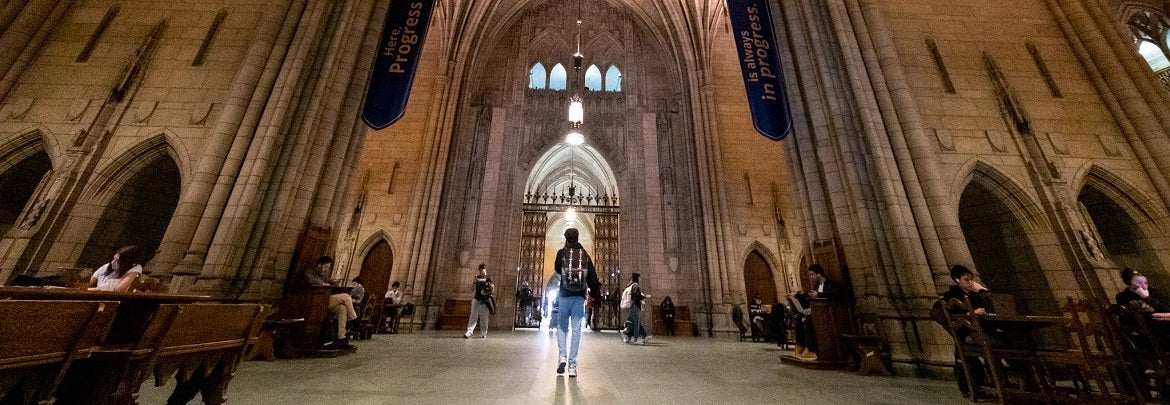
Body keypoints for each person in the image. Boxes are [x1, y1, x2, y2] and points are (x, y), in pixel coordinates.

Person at [938, 264, 1000, 396]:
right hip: (970, 334)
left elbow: (993, 305)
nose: (971, 283)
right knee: (1004, 341)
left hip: (982, 331)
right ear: (957, 280)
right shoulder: (952, 296)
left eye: (972, 279)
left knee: (1006, 339)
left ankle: (1005, 382)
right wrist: (973, 312)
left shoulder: (974, 295)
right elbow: (956, 315)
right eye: (967, 280)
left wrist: (982, 290)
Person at [553, 227, 601, 377]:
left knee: (562, 327)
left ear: (566, 238)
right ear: (578, 237)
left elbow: (556, 269)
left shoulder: (561, 253)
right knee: (576, 330)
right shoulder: (585, 254)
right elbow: (592, 276)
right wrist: (594, 292)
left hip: (564, 295)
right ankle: (572, 364)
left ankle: (562, 356)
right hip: (579, 297)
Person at [299, 256, 358, 349]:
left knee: (342, 309)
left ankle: (341, 339)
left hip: (324, 300)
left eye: (328, 267)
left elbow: (330, 281)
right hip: (316, 301)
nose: (327, 269)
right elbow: (310, 280)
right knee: (346, 297)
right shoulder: (309, 272)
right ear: (319, 265)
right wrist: (322, 284)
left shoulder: (323, 275)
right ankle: (354, 320)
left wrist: (334, 282)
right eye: (326, 267)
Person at [792, 264, 844, 360]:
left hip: (827, 315)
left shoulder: (831, 284)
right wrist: (796, 296)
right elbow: (810, 295)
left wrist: (819, 294)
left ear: (819, 274)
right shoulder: (816, 286)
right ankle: (800, 345)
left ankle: (811, 350)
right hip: (817, 312)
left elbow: (836, 295)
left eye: (812, 274)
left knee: (807, 319)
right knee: (798, 318)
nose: (811, 277)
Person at [1116, 268, 1170, 349]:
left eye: (1145, 282)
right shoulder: (1123, 297)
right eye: (1139, 283)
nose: (1144, 286)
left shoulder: (1154, 292)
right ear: (1129, 283)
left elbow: (1167, 309)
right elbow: (1128, 319)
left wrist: (1148, 298)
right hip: (1149, 333)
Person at [465, 264, 494, 338]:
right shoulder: (477, 278)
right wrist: (474, 282)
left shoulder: (488, 278)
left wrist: (489, 287)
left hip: (484, 300)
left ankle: (484, 332)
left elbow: (492, 289)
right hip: (476, 299)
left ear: (485, 269)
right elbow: (472, 289)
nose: (481, 271)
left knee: (484, 317)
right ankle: (469, 331)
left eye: (483, 269)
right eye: (480, 270)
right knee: (473, 316)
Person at [622, 272, 652, 344]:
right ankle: (627, 334)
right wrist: (645, 296)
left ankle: (643, 336)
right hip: (635, 306)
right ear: (637, 278)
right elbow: (637, 296)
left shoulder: (632, 285)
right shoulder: (636, 286)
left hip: (633, 306)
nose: (641, 279)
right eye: (640, 277)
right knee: (634, 322)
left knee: (636, 321)